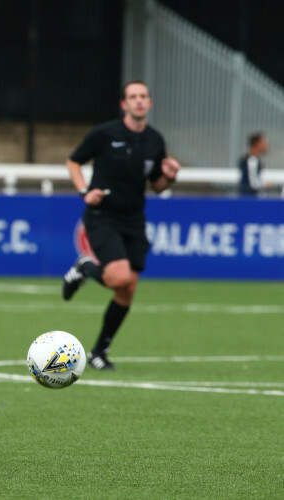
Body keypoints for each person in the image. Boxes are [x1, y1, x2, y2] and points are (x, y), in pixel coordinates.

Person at [61, 80, 180, 371]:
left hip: (134, 219)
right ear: (123, 104)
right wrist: (84, 191)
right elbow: (73, 161)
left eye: (143, 96)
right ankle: (85, 266)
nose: (138, 101)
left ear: (149, 103)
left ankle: (99, 352)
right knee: (118, 278)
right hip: (103, 215)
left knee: (127, 290)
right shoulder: (106, 133)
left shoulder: (155, 140)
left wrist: (170, 176)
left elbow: (157, 186)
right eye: (132, 97)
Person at [239, 132, 269, 196]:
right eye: (264, 142)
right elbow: (252, 183)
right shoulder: (251, 161)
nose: (266, 145)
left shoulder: (252, 160)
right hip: (250, 200)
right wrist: (265, 185)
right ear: (256, 144)